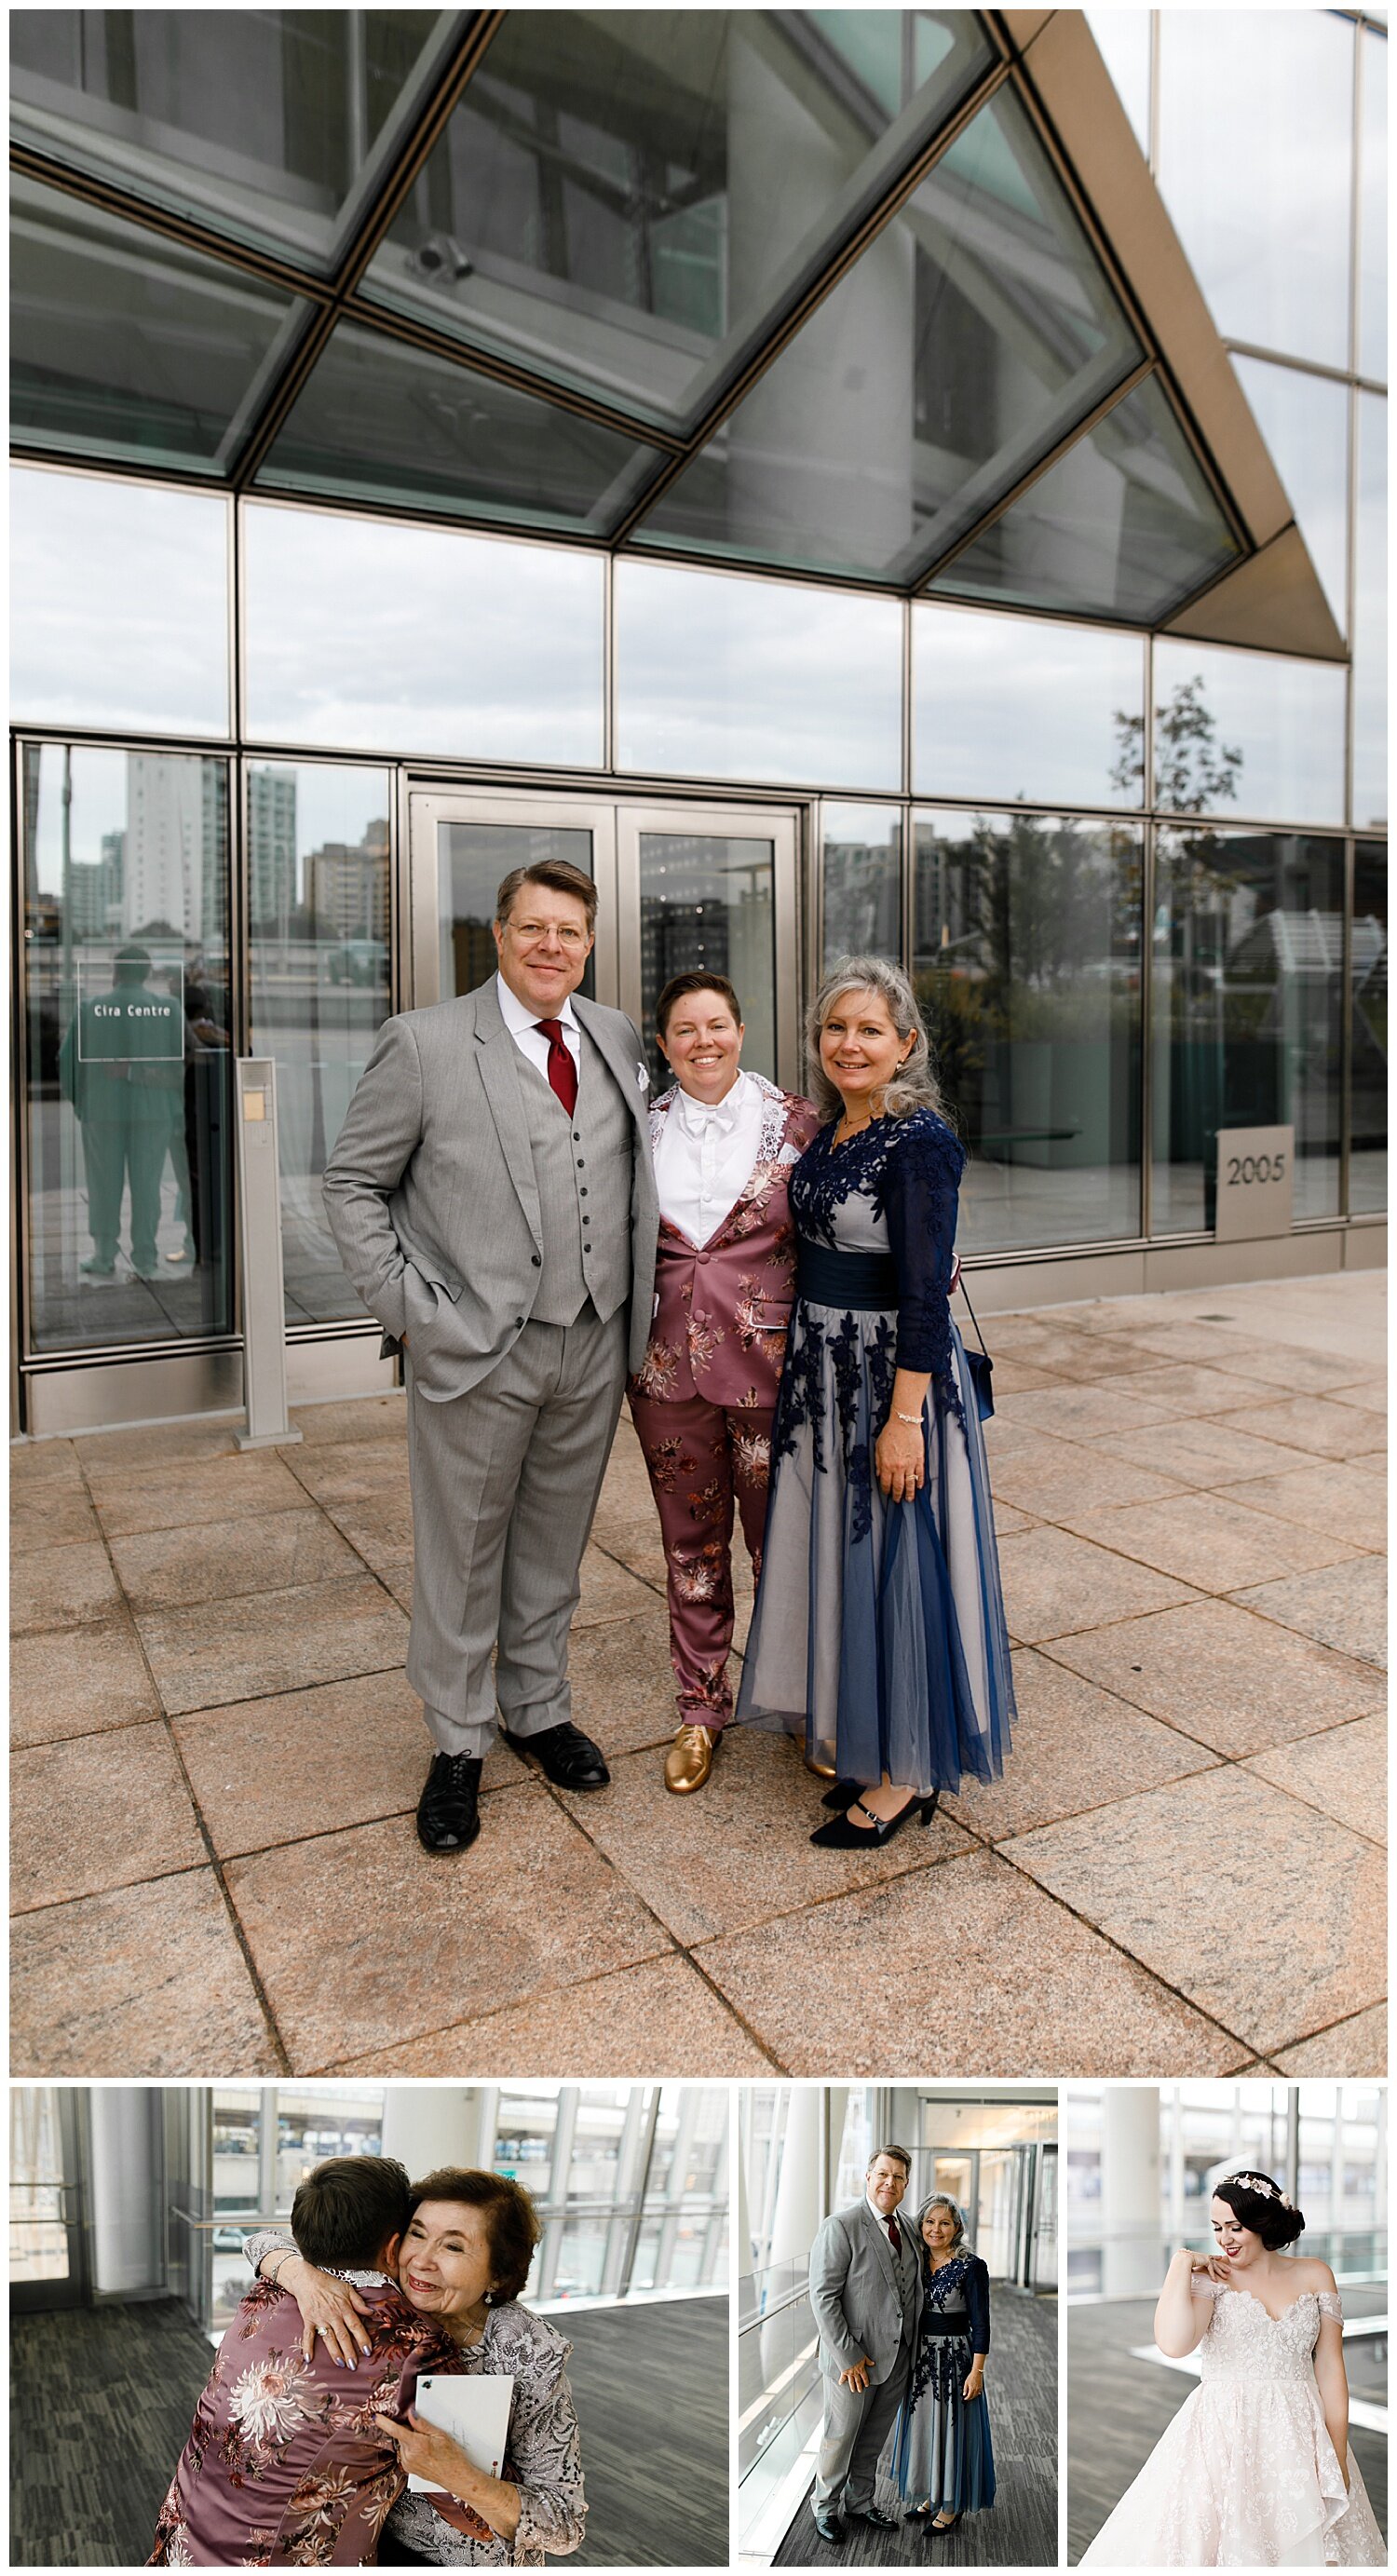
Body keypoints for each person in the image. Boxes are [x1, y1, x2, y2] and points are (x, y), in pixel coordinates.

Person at [322, 861, 658, 1856]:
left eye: (571, 932)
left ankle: (536, 1708)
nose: (553, 947)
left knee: (554, 1542)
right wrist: (414, 1312)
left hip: (594, 1340)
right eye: (535, 928)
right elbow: (350, 1184)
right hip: (475, 1349)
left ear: (589, 945)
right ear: (499, 933)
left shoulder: (617, 1037)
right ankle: (458, 1743)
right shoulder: (423, 1044)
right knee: (463, 1552)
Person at [736, 955, 1015, 1843]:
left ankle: (906, 1775)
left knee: (900, 1558)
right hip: (824, 1376)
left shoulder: (920, 1141)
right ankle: (871, 1738)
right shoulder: (830, 1133)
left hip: (892, 1386)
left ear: (907, 1044)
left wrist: (904, 1424)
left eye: (869, 1030)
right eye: (836, 1028)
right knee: (845, 1555)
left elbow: (925, 1296)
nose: (849, 1045)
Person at [627, 971, 820, 1792]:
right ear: (664, 1045)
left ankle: (809, 1702)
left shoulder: (800, 1125)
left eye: (716, 1025)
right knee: (690, 1548)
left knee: (784, 1545)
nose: (702, 1041)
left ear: (741, 1031)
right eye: (684, 1029)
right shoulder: (637, 1128)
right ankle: (701, 1707)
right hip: (665, 1374)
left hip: (773, 1373)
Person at [247, 2166, 586, 2568]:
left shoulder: (528, 2355)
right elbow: (261, 2240)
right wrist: (303, 2279)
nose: (422, 2261)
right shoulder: (383, 2300)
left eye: (454, 2247)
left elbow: (564, 2525)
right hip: (366, 2543)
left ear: (499, 2273)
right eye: (418, 2233)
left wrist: (462, 2478)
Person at [150, 2155, 455, 2566]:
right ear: (394, 2247)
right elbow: (460, 2501)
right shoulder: (419, 2347)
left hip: (184, 2539)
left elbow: (264, 2242)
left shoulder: (263, 2294)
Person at [1081, 2171, 1386, 2566]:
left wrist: (1338, 2457)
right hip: (1223, 2430)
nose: (1224, 2239)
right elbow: (1174, 2345)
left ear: (1262, 2224)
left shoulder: (1316, 2274)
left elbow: (1330, 2368)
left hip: (1300, 2431)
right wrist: (1181, 2265)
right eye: (1217, 2228)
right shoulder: (1214, 2277)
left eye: (1235, 2227)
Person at [807, 2145, 922, 2545]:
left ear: (906, 2185)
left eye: (898, 2177)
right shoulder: (841, 2225)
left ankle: (860, 2502)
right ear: (868, 2177)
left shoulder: (908, 2227)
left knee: (873, 2438)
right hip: (852, 2362)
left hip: (898, 2357)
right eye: (883, 2174)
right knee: (839, 2438)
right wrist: (849, 2357)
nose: (890, 2182)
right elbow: (823, 2298)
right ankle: (825, 2507)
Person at [58, 942, 185, 1281]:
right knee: (147, 1184)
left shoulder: (89, 1009)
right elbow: (184, 1064)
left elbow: (66, 1063)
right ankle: (145, 1255)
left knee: (103, 1184)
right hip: (154, 1112)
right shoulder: (170, 1009)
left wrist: (82, 1102)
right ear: (147, 973)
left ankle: (103, 1255)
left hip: (102, 1112)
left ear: (114, 972)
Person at [888, 2193, 995, 2535]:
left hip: (954, 2358)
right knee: (924, 2426)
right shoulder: (914, 2261)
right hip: (919, 2356)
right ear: (920, 2226)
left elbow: (982, 2323)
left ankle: (950, 2505)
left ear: (957, 2227)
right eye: (930, 2222)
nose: (936, 2229)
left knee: (951, 2428)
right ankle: (931, 2494)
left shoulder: (971, 2266)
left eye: (945, 2222)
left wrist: (977, 2371)